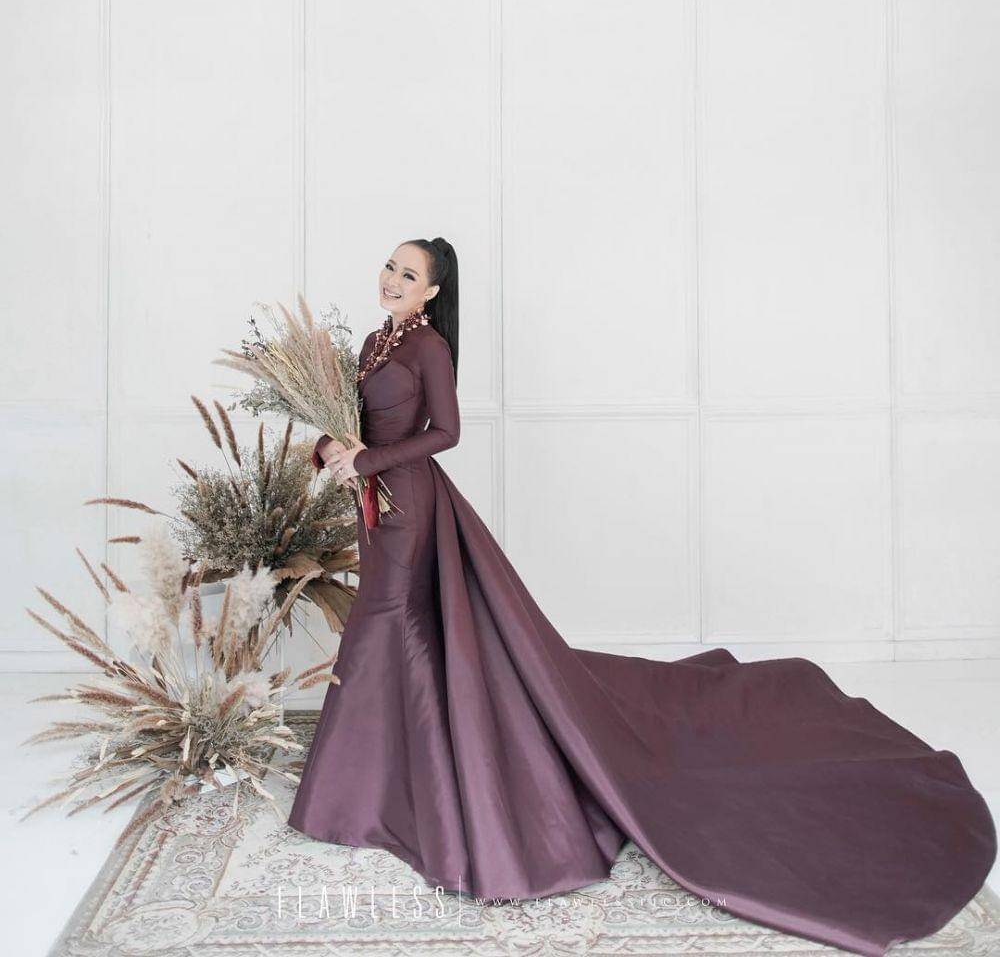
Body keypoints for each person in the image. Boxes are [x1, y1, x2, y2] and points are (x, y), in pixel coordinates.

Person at [288, 237, 996, 956]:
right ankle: (384, 776)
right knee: (399, 626)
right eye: (391, 267)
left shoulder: (430, 348)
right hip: (372, 504)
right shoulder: (375, 341)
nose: (392, 279)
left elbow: (448, 432)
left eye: (408, 274)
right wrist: (330, 450)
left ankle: (353, 794)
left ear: (433, 291)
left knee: (384, 623)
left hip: (409, 505)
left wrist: (370, 459)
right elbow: (350, 423)